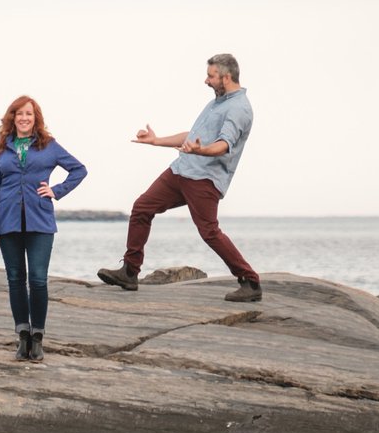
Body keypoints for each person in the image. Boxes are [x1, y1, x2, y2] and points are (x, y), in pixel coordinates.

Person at [97, 53, 261, 302]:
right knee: (142, 208)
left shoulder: (239, 109)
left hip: (204, 179)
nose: (206, 81)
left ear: (226, 77)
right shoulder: (217, 102)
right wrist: (156, 141)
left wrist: (200, 150)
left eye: (211, 76)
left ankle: (250, 282)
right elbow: (193, 135)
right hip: (181, 170)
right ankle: (130, 272)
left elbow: (223, 145)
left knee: (209, 232)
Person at [0, 95, 87, 361]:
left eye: (29, 114)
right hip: (7, 223)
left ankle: (38, 337)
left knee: (38, 279)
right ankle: (22, 336)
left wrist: (56, 190)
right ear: (12, 118)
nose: (24, 118)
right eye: (19, 114)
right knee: (15, 279)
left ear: (36, 117)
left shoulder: (48, 146)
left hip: (40, 222)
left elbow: (79, 170)